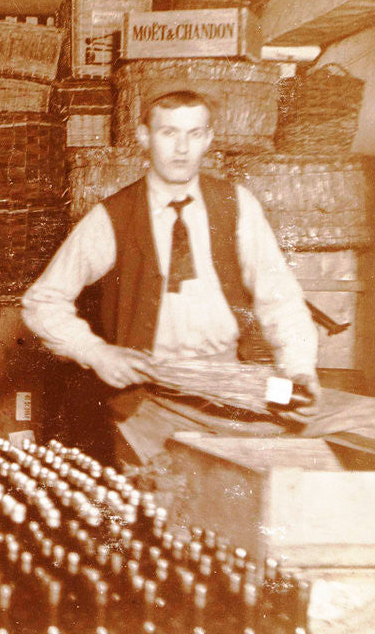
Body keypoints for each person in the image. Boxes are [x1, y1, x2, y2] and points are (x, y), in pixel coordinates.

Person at [22, 89, 375, 466]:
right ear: (143, 136)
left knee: (365, 419)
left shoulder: (236, 204)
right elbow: (42, 302)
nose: (182, 149)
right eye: (169, 133)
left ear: (208, 138)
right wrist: (96, 352)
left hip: (239, 382)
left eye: (194, 134)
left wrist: (298, 370)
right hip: (155, 395)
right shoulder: (113, 216)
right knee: (185, 486)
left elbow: (281, 297)